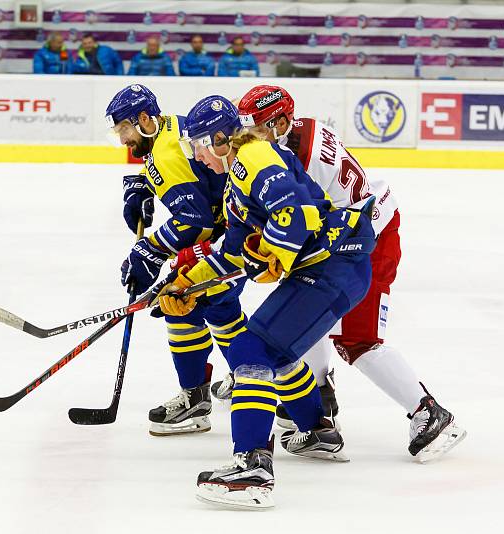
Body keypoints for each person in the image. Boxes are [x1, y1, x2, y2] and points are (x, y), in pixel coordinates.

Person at [157, 95, 376, 509]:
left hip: (334, 263)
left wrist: (276, 254)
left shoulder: (252, 154)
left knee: (250, 348)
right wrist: (186, 284)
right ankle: (316, 432)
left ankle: (252, 468)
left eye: (200, 145)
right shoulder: (235, 185)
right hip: (334, 268)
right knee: (272, 348)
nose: (197, 156)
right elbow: (232, 255)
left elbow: (291, 213)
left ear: (222, 138)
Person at [234, 85, 466, 462]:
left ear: (280, 122)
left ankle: (430, 413)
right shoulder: (297, 132)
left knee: (357, 339)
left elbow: (303, 224)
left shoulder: (294, 159)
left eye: (257, 129)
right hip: (351, 229)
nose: (249, 139)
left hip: (368, 237)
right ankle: (321, 392)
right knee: (305, 301)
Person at [105, 84, 246, 435]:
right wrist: (142, 184)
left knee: (181, 303)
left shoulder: (166, 154)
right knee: (217, 312)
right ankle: (242, 379)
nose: (122, 139)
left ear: (143, 120)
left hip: (225, 239)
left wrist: (150, 249)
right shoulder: (173, 125)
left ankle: (260, 390)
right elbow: (188, 171)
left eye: (124, 128)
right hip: (234, 229)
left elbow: (195, 221)